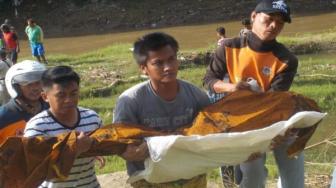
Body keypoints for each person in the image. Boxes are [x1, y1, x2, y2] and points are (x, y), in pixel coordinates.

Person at [203, 0, 301, 188]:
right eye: (269, 19)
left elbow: (274, 99)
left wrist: (271, 130)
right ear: (254, 16)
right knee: (246, 174)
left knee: (291, 149)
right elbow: (209, 80)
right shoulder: (228, 47)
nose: (274, 26)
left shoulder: (287, 59)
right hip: (232, 116)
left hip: (265, 116)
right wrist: (232, 88)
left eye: (280, 23)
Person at [113, 32, 211, 188]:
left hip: (191, 179)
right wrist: (129, 151)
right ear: (144, 68)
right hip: (149, 181)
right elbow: (120, 144)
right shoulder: (130, 101)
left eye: (172, 59)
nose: (168, 67)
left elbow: (214, 133)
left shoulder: (196, 96)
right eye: (158, 63)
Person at [24, 66, 102, 187]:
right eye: (61, 95)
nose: (68, 100)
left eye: (73, 93)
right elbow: (37, 171)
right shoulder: (37, 127)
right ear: (45, 97)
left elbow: (104, 142)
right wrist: (74, 150)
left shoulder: (92, 119)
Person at [0, 60, 47, 144]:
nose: (35, 88)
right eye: (28, 84)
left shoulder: (51, 108)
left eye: (38, 83)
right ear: (16, 87)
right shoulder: (3, 116)